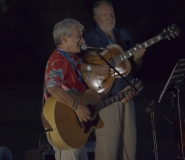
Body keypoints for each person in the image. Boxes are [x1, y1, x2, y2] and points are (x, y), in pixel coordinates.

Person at [43, 18, 134, 160]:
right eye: (78, 36)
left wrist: (117, 96)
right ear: (64, 38)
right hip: (64, 125)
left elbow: (82, 75)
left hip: (76, 126)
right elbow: (52, 88)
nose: (83, 40)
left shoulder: (70, 58)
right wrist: (75, 106)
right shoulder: (59, 60)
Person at [78, 1, 146, 160]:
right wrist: (94, 69)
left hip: (127, 97)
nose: (110, 17)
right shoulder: (88, 39)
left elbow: (135, 67)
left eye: (112, 13)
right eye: (105, 14)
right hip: (106, 100)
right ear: (96, 18)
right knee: (108, 148)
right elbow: (78, 66)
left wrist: (137, 59)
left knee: (129, 147)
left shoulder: (124, 34)